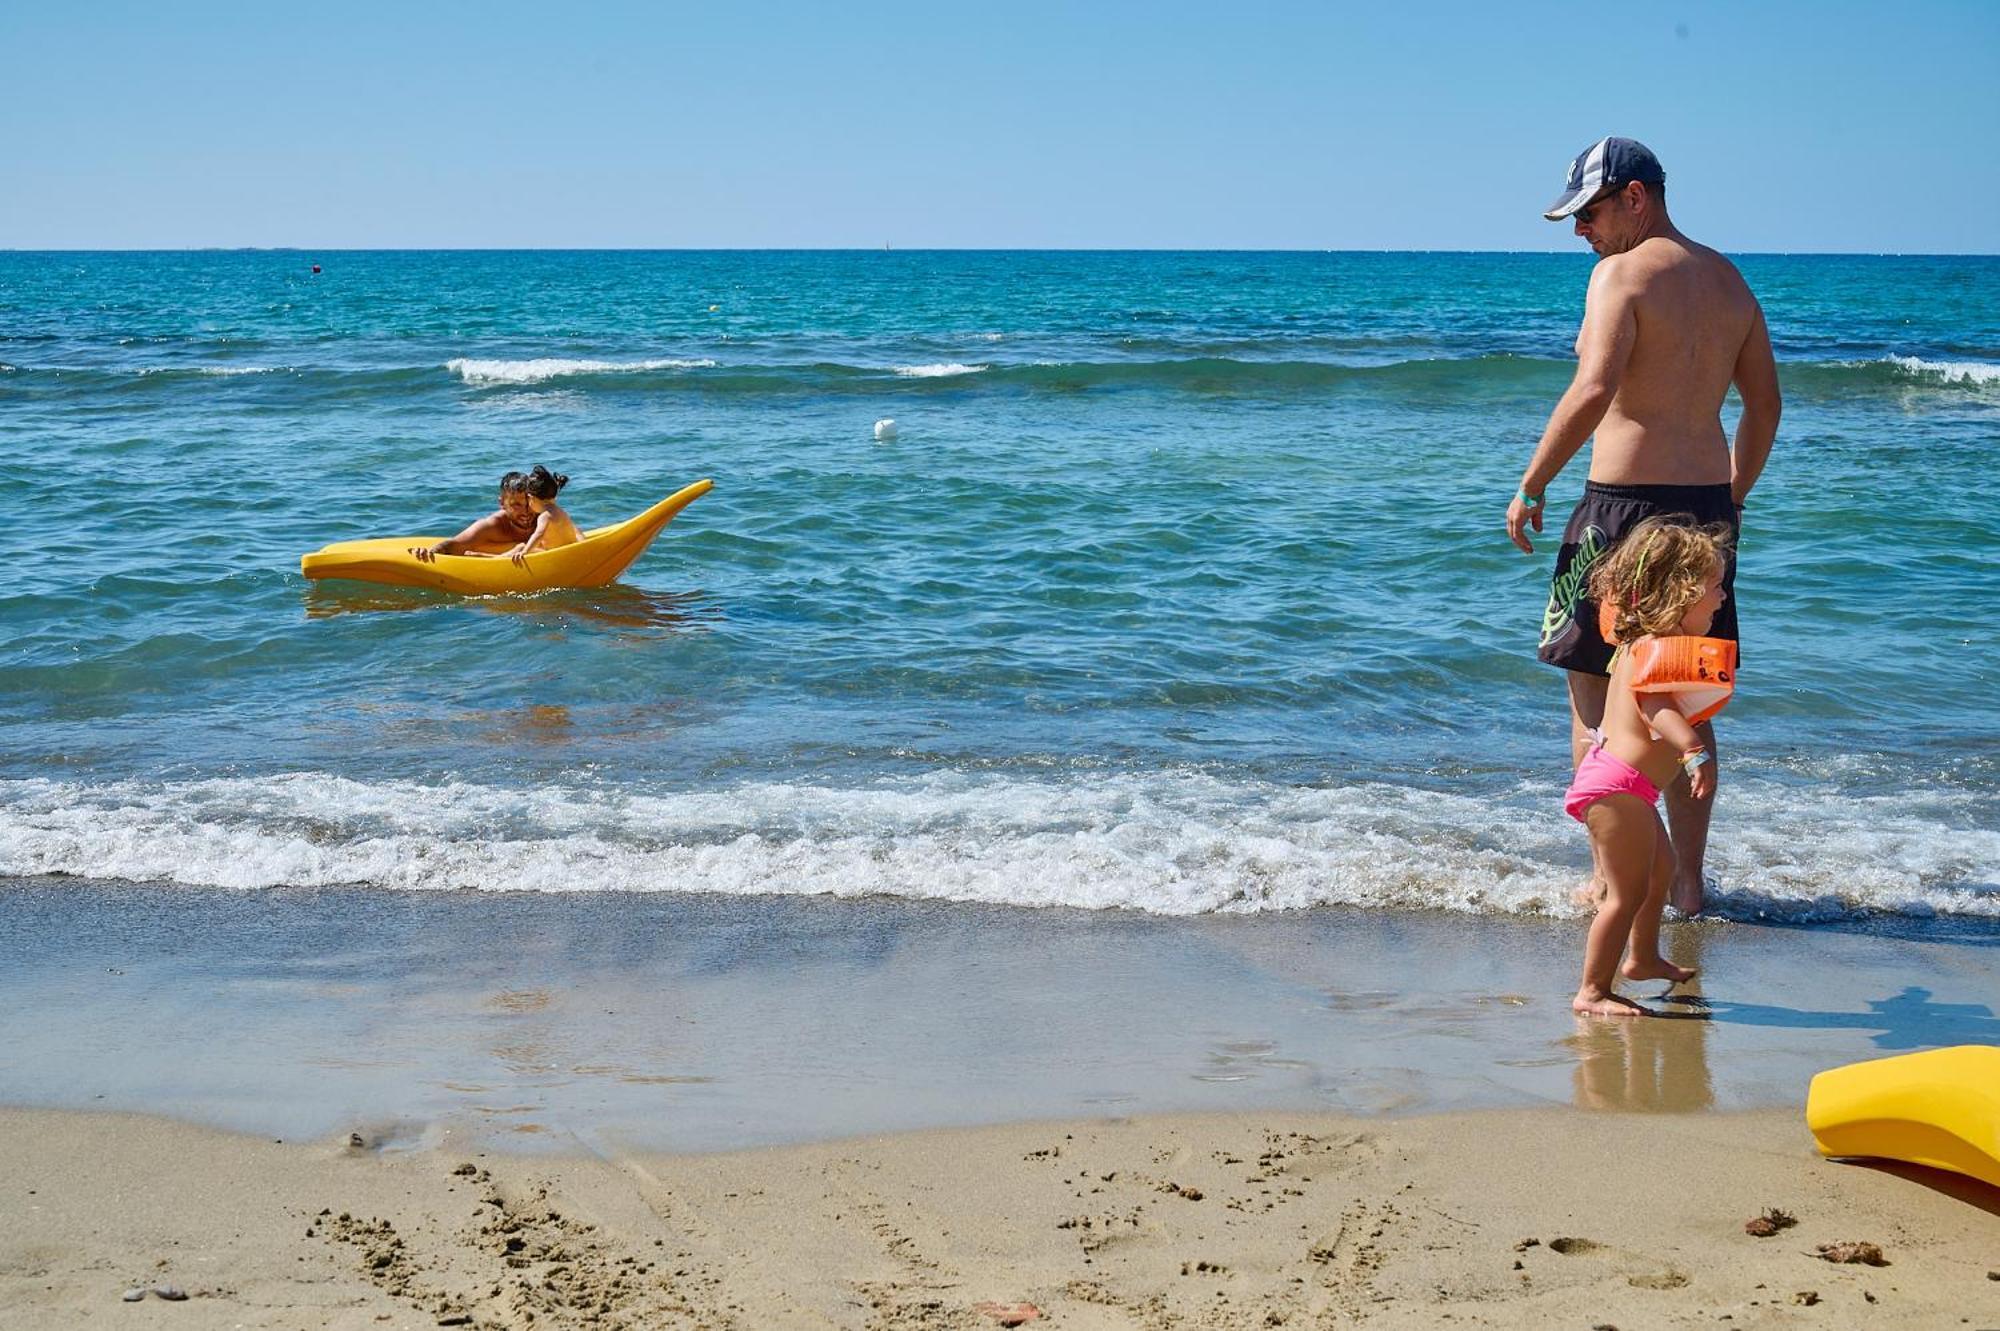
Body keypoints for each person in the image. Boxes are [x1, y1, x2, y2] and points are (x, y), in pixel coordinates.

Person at [1506, 136, 1780, 916]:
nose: (1579, 231)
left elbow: (1594, 389)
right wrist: (1732, 498)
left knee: (1594, 693)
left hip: (1618, 511)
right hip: (1704, 516)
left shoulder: (1619, 274)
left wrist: (1531, 483)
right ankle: (1688, 887)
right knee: (1684, 699)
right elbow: (1765, 406)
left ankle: (1611, 881)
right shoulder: (1731, 282)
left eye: (1588, 212)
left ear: (1635, 197)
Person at [1563, 518, 1734, 1016]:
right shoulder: (1648, 651)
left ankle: (1641, 959)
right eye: (1715, 587)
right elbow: (1656, 706)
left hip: (1628, 788)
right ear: (1681, 593)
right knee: (1625, 893)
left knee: (1660, 871)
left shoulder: (1642, 646)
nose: (1723, 597)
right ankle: (1592, 991)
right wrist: (1692, 750)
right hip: (1616, 789)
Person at [411, 471, 533, 562]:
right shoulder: (491, 526)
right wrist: (430, 552)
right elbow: (453, 546)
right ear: (502, 503)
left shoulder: (543, 518)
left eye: (529, 504)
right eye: (516, 505)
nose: (526, 511)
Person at [503, 465, 581, 563]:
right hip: (571, 551)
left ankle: (494, 561)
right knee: (540, 544)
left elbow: (538, 534)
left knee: (520, 547)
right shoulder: (559, 511)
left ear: (531, 497)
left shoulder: (545, 516)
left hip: (559, 557)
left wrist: (525, 552)